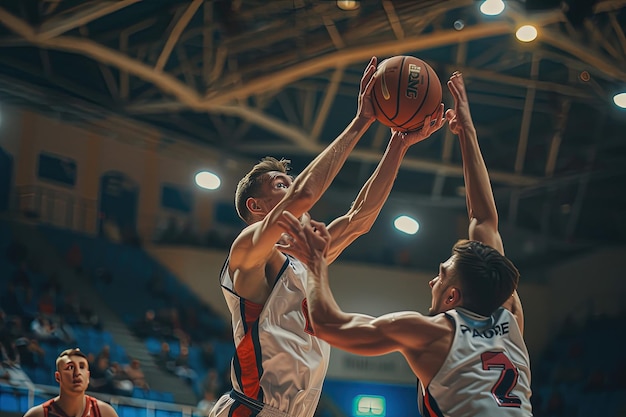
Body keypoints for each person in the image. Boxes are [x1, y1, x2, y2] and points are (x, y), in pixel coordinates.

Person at [277, 72, 532, 416]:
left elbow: (329, 326)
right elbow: (485, 221)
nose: (433, 280)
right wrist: (467, 133)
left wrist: (314, 264)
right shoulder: (509, 315)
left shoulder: (428, 331)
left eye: (442, 276)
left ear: (453, 297)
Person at [210, 56, 445, 417]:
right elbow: (302, 196)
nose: (291, 187)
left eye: (289, 181)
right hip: (253, 409)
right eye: (280, 184)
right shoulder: (247, 251)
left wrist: (399, 143)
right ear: (256, 206)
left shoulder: (305, 257)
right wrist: (361, 121)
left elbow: (358, 219)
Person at [23, 348, 119, 417]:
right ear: (58, 376)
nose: (77, 373)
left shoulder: (105, 413)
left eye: (81, 367)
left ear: (88, 377)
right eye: (70, 367)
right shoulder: (38, 414)